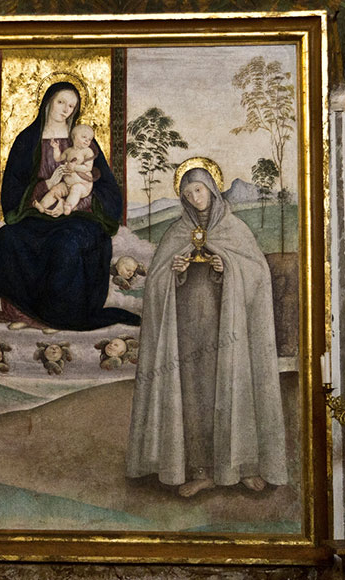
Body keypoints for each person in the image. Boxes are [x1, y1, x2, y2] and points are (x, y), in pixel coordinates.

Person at [126, 158, 288, 497]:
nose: (194, 198)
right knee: (195, 395)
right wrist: (175, 271)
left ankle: (242, 467)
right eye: (187, 194)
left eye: (198, 190)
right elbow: (155, 284)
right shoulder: (177, 232)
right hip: (188, 333)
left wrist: (226, 266)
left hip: (231, 332)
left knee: (235, 388)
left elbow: (258, 275)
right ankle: (201, 471)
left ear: (212, 189)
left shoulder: (234, 229)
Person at [0, 81, 140, 332]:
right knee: (8, 236)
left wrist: (75, 201)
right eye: (61, 102)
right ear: (48, 101)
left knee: (66, 242)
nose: (66, 109)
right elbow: (13, 190)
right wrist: (46, 185)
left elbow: (105, 187)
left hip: (79, 215)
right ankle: (23, 312)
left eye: (72, 106)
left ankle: (57, 317)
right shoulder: (27, 140)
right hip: (38, 213)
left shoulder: (83, 142)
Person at [33, 124, 95, 215]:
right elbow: (58, 158)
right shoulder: (68, 151)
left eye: (89, 139)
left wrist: (75, 167)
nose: (87, 141)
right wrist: (56, 148)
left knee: (76, 189)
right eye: (84, 137)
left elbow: (88, 167)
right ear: (74, 137)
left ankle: (68, 206)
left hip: (82, 185)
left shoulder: (87, 151)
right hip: (67, 183)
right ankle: (42, 205)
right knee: (55, 190)